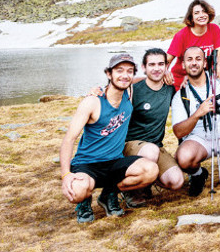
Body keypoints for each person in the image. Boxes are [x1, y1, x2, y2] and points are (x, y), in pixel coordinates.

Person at [60, 54, 158, 223]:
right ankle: (84, 202)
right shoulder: (92, 102)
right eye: (119, 70)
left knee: (151, 170)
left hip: (115, 163)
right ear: (108, 73)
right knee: (77, 191)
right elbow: (69, 139)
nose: (125, 75)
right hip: (87, 164)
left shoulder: (128, 93)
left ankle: (108, 194)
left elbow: (141, 79)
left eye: (129, 71)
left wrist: (166, 75)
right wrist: (65, 175)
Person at [171, 46, 220, 196]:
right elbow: (178, 132)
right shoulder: (181, 95)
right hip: (199, 140)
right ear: (183, 65)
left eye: (198, 59)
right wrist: (197, 114)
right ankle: (198, 175)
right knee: (183, 158)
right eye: (189, 59)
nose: (194, 63)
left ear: (205, 63)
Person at [121, 48, 184, 207]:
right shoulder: (134, 89)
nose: (157, 68)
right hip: (132, 145)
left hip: (156, 146)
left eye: (161, 64)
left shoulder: (169, 88)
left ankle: (146, 181)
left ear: (166, 66)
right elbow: (112, 91)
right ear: (144, 67)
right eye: (152, 64)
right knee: (150, 152)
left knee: (177, 181)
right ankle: (130, 190)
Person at [166, 0, 220, 90]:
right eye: (196, 13)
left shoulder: (214, 29)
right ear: (191, 17)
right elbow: (167, 59)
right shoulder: (181, 35)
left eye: (204, 11)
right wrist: (165, 71)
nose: (201, 15)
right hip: (182, 80)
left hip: (204, 77)